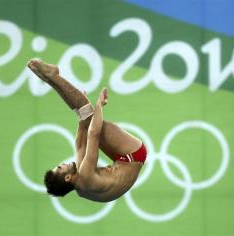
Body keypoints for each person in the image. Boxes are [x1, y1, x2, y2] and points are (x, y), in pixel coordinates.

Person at [27, 59, 147, 202]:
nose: (62, 164)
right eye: (60, 167)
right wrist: (99, 105)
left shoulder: (80, 186)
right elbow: (93, 134)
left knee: (83, 115)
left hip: (122, 162)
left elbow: (80, 143)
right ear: (67, 177)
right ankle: (52, 76)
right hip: (133, 154)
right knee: (88, 116)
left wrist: (80, 107)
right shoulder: (85, 175)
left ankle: (50, 78)